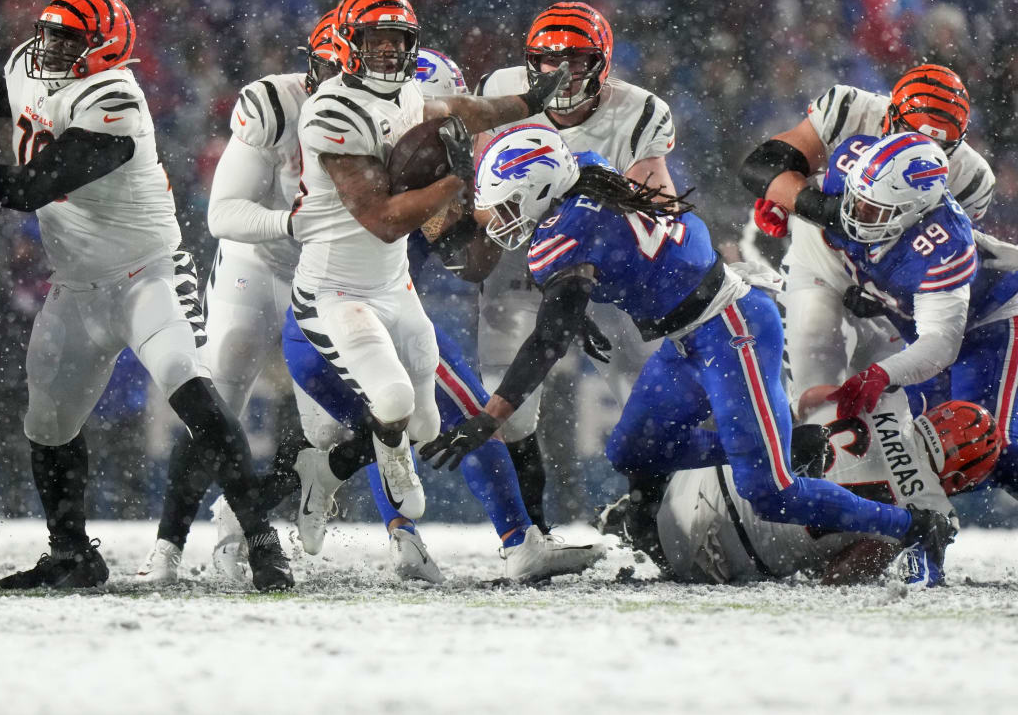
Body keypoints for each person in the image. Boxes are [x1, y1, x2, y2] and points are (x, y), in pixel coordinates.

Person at [0, 0, 294, 591]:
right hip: (76, 286)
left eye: (72, 38)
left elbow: (29, 187)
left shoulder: (114, 99)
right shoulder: (26, 65)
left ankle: (260, 541)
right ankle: (72, 555)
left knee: (190, 388)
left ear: (107, 47)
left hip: (149, 275)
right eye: (52, 33)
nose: (54, 47)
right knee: (47, 424)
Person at [421, 124, 958, 572]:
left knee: (769, 492)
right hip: (691, 336)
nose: (494, 218)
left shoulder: (564, 232)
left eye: (503, 203)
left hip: (730, 329)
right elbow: (602, 259)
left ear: (538, 191)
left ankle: (913, 526)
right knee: (630, 451)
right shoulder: (583, 169)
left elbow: (547, 340)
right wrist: (575, 299)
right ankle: (784, 445)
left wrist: (491, 416)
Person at [286, 0, 571, 554]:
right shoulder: (336, 112)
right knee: (451, 407)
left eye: (400, 43)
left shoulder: (408, 105)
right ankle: (517, 541)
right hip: (331, 304)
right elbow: (385, 220)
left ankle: (327, 485)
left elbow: (466, 256)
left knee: (416, 426)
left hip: (386, 294)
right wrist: (454, 180)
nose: (391, 54)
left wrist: (536, 100)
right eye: (378, 42)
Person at [133, 10, 340, 584]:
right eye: (337, 68)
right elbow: (223, 214)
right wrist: (295, 226)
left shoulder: (391, 109)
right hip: (256, 268)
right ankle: (169, 547)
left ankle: (240, 521)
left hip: (329, 278)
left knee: (326, 431)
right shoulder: (277, 105)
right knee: (215, 410)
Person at [473, 2, 677, 532]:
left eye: (579, 61)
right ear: (528, 62)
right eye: (546, 61)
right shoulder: (501, 89)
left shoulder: (639, 111)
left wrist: (582, 276)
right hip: (518, 252)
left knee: (642, 393)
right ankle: (528, 534)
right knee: (511, 405)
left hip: (605, 264)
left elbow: (660, 215)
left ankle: (650, 518)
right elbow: (480, 197)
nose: (561, 75)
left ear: (603, 62)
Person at [738, 65, 994, 407]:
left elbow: (940, 260)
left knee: (887, 399)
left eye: (937, 144)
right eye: (910, 130)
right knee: (811, 382)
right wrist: (811, 205)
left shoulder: (971, 180)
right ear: (888, 113)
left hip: (889, 287)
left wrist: (886, 295)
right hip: (823, 252)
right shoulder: (850, 112)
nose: (920, 147)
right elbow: (762, 165)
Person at [807, 132, 1018, 494]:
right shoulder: (851, 168)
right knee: (909, 432)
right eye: (856, 199)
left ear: (913, 212)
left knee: (983, 449)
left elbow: (940, 343)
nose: (853, 213)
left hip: (990, 318)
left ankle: (920, 526)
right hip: (921, 326)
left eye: (871, 210)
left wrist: (882, 372)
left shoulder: (942, 243)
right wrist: (786, 198)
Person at [615, 389, 999, 586]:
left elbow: (802, 402)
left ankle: (638, 511)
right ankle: (644, 526)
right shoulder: (930, 507)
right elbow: (838, 578)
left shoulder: (886, 396)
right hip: (713, 556)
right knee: (891, 531)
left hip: (696, 476)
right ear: (964, 476)